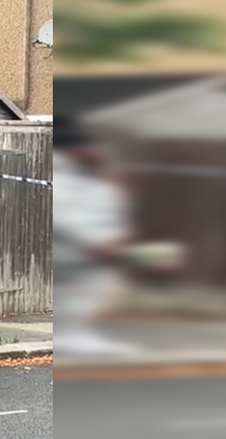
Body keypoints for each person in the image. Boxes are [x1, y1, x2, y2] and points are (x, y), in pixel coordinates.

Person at [54, 118, 143, 354]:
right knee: (103, 278)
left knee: (110, 278)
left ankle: (73, 331)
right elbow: (68, 219)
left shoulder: (95, 179)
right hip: (68, 249)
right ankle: (68, 332)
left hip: (84, 245)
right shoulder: (64, 174)